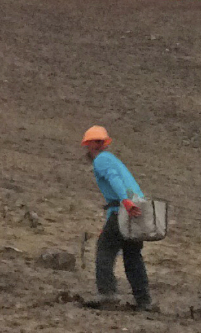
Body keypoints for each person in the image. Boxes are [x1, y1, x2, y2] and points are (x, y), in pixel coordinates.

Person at [81, 125, 152, 311]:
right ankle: (144, 301)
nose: (95, 145)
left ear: (87, 145)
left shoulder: (102, 160)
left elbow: (114, 181)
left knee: (104, 250)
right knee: (133, 256)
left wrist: (126, 203)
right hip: (136, 211)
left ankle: (107, 294)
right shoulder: (113, 159)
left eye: (98, 142)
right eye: (94, 142)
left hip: (124, 210)